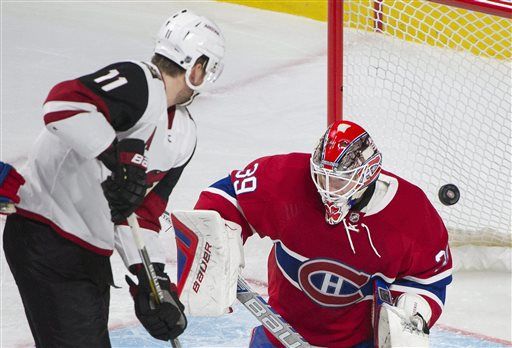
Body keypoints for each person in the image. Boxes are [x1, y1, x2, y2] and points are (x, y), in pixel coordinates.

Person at [2, 8, 225, 347]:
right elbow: (62, 105)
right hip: (46, 233)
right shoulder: (138, 81)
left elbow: (142, 216)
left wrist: (152, 282)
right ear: (197, 67)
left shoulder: (184, 134)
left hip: (88, 251)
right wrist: (113, 155)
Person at [193, 120, 453, 347]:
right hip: (280, 330)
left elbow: (430, 279)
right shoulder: (289, 178)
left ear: (366, 175)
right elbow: (228, 195)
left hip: (358, 342)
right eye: (322, 176)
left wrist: (414, 312)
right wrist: (216, 241)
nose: (326, 188)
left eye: (338, 179)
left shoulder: (411, 212)